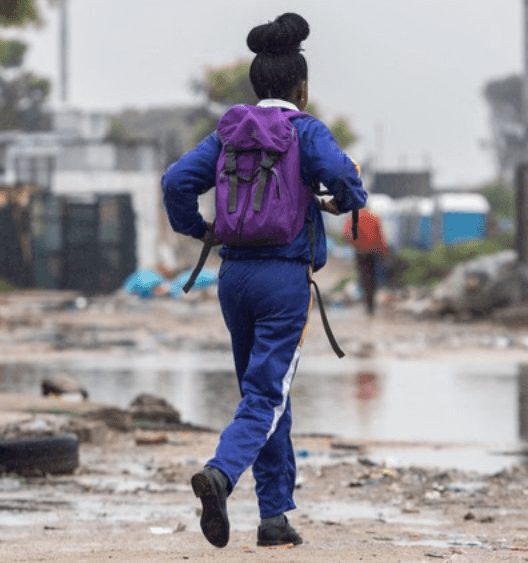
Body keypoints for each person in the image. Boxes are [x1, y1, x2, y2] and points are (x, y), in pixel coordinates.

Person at [160, 13, 367, 548]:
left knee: (269, 392)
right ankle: (221, 475)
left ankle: (274, 517)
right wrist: (344, 200)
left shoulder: (230, 133)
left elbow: (176, 180)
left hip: (234, 277)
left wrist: (197, 228)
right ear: (301, 87)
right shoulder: (305, 129)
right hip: (283, 280)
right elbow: (345, 178)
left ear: (256, 85)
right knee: (266, 394)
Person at [341, 208, 390, 315]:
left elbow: (345, 234)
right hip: (373, 252)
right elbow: (380, 236)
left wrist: (355, 244)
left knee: (364, 277)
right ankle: (371, 305)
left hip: (360, 252)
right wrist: (385, 252)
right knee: (373, 278)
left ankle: (368, 304)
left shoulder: (352, 217)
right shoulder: (374, 217)